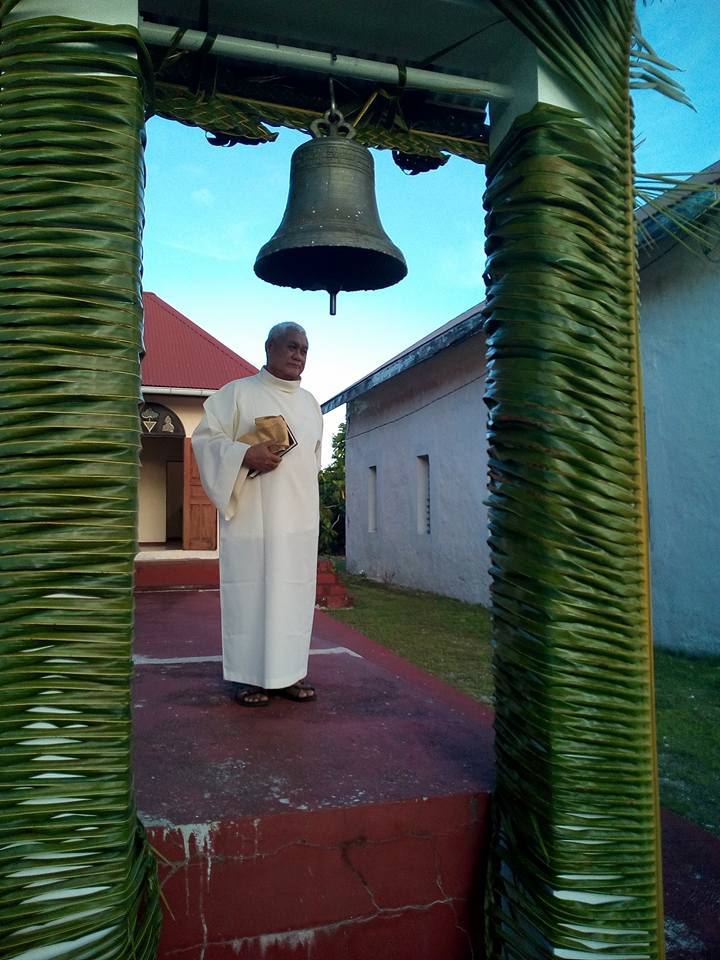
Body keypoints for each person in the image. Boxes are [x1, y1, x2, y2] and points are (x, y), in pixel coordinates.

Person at [191, 322, 323, 707]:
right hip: (252, 521)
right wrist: (244, 455)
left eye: (304, 349)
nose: (298, 355)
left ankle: (288, 675)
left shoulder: (311, 404)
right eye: (291, 346)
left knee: (292, 598)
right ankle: (249, 678)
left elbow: (312, 465)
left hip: (297, 522)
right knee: (251, 596)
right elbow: (205, 440)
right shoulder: (237, 394)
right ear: (269, 347)